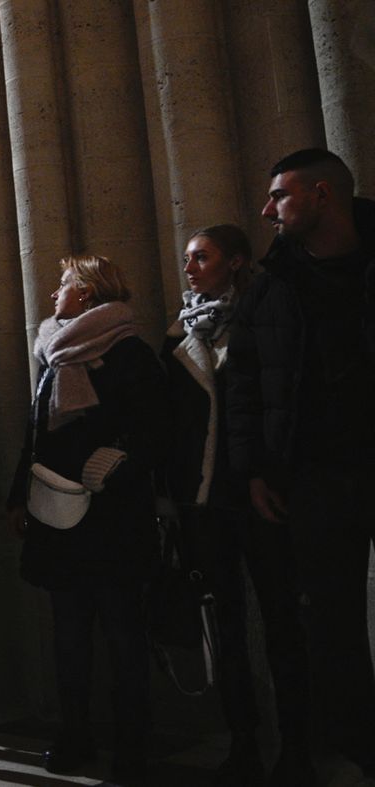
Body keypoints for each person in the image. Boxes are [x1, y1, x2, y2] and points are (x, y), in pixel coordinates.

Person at [228, 148, 375, 781]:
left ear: (322, 195)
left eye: (280, 195)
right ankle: (362, 747)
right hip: (317, 474)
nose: (267, 210)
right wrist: (258, 469)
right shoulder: (273, 282)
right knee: (332, 622)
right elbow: (246, 384)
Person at [6, 254, 165, 785]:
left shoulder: (130, 355)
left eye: (64, 285)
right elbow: (35, 433)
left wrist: (117, 463)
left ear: (88, 294)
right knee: (69, 634)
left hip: (114, 515)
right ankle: (74, 733)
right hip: (58, 513)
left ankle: (132, 745)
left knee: (124, 634)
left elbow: (155, 430)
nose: (55, 293)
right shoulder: (55, 353)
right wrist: (17, 496)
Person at [161, 224, 308, 786]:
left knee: (282, 622)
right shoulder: (179, 332)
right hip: (207, 500)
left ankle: (295, 746)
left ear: (237, 262)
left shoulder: (262, 319)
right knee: (225, 625)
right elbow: (175, 425)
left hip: (259, 493)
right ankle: (243, 741)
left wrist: (269, 473)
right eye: (187, 257)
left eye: (202, 257)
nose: (191, 267)